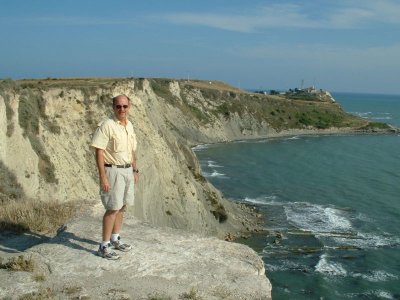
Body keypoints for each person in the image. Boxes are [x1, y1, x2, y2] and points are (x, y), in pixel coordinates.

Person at [90, 94, 139, 259]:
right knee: (112, 208)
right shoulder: (107, 126)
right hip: (113, 171)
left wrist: (135, 170)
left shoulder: (129, 126)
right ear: (113, 108)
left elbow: (132, 150)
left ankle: (115, 238)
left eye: (125, 106)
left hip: (127, 171)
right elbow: (99, 151)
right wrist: (103, 176)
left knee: (122, 206)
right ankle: (103, 246)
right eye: (118, 106)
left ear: (129, 107)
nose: (122, 109)